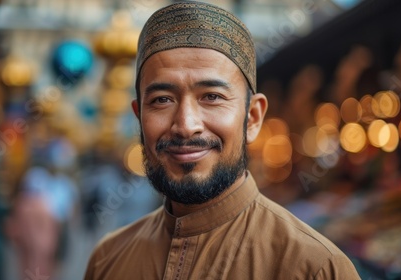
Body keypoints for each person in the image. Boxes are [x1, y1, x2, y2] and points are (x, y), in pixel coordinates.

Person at [85, 1, 360, 279]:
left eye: (212, 97)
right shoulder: (108, 260)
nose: (186, 126)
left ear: (252, 117)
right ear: (139, 117)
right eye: (162, 100)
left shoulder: (316, 267)